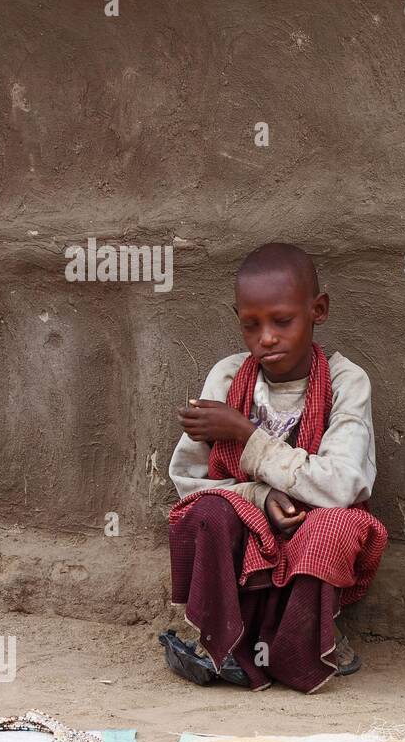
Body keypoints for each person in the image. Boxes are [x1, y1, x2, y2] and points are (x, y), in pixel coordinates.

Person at [161, 242, 387, 692]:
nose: (266, 337)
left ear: (318, 310)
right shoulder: (227, 379)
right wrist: (260, 498)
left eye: (282, 321)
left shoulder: (346, 382)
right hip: (245, 526)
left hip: (312, 524)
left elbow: (342, 485)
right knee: (206, 514)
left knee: (336, 527)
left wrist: (246, 435)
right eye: (251, 325)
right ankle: (218, 640)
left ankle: (304, 645)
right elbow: (189, 483)